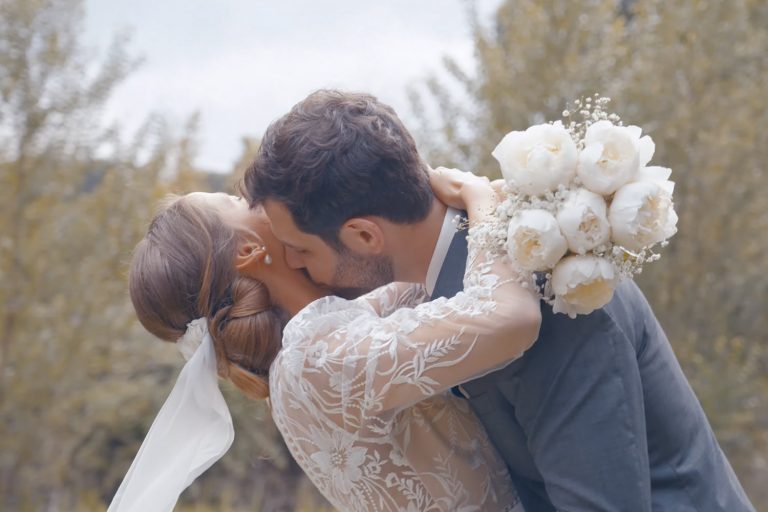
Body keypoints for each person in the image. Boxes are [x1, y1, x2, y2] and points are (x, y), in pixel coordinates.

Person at [243, 89, 756, 512]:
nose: (294, 266)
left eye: (300, 249)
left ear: (363, 235)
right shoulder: (455, 292)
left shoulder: (545, 289)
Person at [116, 168, 540, 511]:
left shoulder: (313, 346)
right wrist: (478, 193)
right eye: (238, 202)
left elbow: (414, 281)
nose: (257, 199)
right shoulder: (317, 358)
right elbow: (508, 313)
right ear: (246, 250)